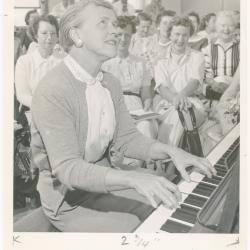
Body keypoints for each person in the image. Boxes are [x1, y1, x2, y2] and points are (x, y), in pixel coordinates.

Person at [31, 0, 215, 233]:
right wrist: (133, 179)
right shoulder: (53, 88)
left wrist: (171, 151)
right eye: (103, 23)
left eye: (115, 24)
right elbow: (68, 169)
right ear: (76, 35)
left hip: (104, 182)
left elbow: (127, 139)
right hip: (67, 200)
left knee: (174, 201)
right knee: (146, 227)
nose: (116, 30)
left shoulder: (110, 82)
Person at [103, 16, 157, 167]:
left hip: (137, 108)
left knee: (146, 126)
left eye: (127, 35)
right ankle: (126, 169)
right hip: (113, 108)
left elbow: (146, 94)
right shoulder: (104, 62)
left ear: (132, 36)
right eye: (119, 34)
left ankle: (140, 168)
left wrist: (147, 107)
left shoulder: (140, 63)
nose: (123, 39)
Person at [154, 16, 206, 146]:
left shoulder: (197, 56)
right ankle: (168, 162)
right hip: (166, 104)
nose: (180, 39)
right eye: (177, 34)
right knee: (178, 115)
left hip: (192, 103)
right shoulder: (160, 58)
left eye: (185, 35)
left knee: (180, 115)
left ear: (190, 36)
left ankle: (161, 161)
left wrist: (181, 96)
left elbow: (194, 81)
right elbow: (161, 87)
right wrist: (176, 100)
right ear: (170, 34)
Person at [15, 15, 61, 122]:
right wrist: (44, 106)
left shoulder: (64, 61)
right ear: (36, 36)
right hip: (33, 116)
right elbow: (22, 94)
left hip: (60, 117)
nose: (49, 37)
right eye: (44, 33)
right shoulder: (24, 62)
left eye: (53, 33)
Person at [202, 11, 240, 97]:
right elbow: (206, 75)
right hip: (214, 92)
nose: (226, 29)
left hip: (236, 92)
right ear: (217, 27)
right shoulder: (207, 49)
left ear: (235, 28)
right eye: (223, 26)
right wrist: (215, 84)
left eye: (230, 26)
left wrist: (232, 87)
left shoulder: (242, 48)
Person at [141, 10, 176, 77]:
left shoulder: (177, 45)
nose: (168, 26)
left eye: (171, 23)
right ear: (158, 26)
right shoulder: (147, 42)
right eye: (165, 23)